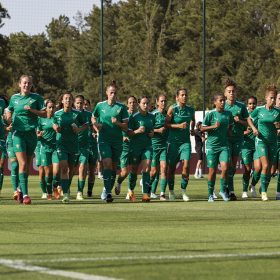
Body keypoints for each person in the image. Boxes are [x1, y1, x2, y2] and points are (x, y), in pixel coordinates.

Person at [6, 75, 46, 205]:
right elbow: (9, 110)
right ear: (19, 84)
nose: (26, 85)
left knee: (27, 165)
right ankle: (26, 195)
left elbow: (45, 113)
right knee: (22, 164)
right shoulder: (14, 98)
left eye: (29, 83)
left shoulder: (37, 98)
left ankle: (19, 189)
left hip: (31, 135)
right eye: (24, 83)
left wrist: (33, 110)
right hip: (18, 134)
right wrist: (8, 117)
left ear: (31, 85)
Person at [92, 81, 128, 203]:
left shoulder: (121, 107)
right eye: (111, 92)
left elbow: (125, 126)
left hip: (117, 141)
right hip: (104, 139)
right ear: (107, 93)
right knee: (107, 163)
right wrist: (96, 124)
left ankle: (106, 189)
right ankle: (108, 193)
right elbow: (93, 117)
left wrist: (117, 123)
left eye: (115, 93)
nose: (113, 94)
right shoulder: (100, 106)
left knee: (113, 168)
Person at [53, 92, 87, 203]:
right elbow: (53, 123)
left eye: (69, 99)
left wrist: (79, 129)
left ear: (72, 101)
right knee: (64, 168)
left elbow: (86, 124)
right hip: (61, 144)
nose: (68, 100)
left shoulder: (77, 114)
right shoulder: (57, 114)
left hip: (73, 145)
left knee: (71, 170)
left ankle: (64, 188)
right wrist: (56, 128)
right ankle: (66, 194)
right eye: (66, 99)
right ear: (62, 101)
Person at [248, 85, 280, 201]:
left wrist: (278, 126)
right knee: (265, 166)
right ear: (266, 98)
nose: (273, 100)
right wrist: (254, 129)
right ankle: (264, 193)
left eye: (274, 98)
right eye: (271, 97)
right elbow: (249, 119)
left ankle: (263, 187)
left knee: (271, 170)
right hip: (261, 141)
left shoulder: (278, 112)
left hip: (273, 142)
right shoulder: (259, 110)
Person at [201, 93, 233, 202]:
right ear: (215, 102)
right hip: (211, 147)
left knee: (225, 168)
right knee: (212, 171)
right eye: (221, 100)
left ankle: (222, 191)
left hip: (224, 146)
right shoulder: (210, 114)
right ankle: (210, 194)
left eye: (224, 100)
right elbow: (202, 128)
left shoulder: (228, 114)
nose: (223, 102)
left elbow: (230, 125)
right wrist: (214, 126)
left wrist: (229, 132)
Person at [165, 88, 195, 201]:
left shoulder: (191, 109)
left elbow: (193, 120)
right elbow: (166, 124)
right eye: (182, 95)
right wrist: (178, 126)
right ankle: (171, 191)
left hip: (185, 142)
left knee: (186, 166)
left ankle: (183, 191)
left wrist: (192, 129)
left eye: (186, 95)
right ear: (177, 97)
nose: (184, 97)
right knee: (171, 169)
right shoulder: (172, 109)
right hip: (173, 143)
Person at [224, 78, 249, 200]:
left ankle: (227, 187)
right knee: (228, 165)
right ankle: (230, 191)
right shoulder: (222, 106)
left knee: (233, 167)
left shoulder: (241, 106)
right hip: (226, 140)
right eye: (229, 91)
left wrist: (240, 121)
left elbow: (247, 123)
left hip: (238, 139)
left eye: (233, 91)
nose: (231, 93)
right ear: (225, 93)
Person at [127, 96, 155, 202]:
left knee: (147, 168)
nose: (146, 105)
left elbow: (152, 130)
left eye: (147, 103)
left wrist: (152, 133)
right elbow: (128, 133)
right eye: (143, 103)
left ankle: (145, 194)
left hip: (147, 147)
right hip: (135, 147)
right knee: (133, 170)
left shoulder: (152, 117)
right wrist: (137, 131)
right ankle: (131, 190)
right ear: (139, 104)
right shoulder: (133, 117)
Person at [114, 95, 138, 197]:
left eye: (134, 102)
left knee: (134, 170)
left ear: (136, 104)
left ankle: (130, 191)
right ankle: (119, 182)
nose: (132, 104)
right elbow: (117, 128)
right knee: (124, 172)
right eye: (130, 103)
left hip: (135, 147)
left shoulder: (138, 116)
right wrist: (122, 137)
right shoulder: (124, 115)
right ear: (127, 104)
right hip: (124, 147)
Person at [37, 99, 60, 200]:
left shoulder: (57, 119)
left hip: (55, 148)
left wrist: (58, 129)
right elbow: (37, 135)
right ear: (46, 109)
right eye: (49, 107)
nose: (51, 109)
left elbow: (62, 131)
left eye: (53, 107)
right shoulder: (40, 120)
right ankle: (48, 192)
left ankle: (55, 187)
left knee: (56, 172)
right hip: (44, 148)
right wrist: (39, 135)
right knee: (47, 173)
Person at [241, 96, 260, 199]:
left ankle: (252, 185)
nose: (252, 105)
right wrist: (245, 132)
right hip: (245, 145)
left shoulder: (259, 113)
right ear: (247, 105)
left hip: (257, 145)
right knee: (247, 169)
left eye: (254, 103)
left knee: (258, 168)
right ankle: (244, 191)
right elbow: (239, 131)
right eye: (250, 104)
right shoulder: (243, 115)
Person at [149, 94, 168, 200]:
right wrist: (157, 130)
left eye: (165, 101)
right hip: (153, 146)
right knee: (153, 172)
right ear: (157, 102)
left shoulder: (167, 115)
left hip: (163, 146)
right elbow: (149, 129)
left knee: (164, 169)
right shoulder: (153, 115)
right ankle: (148, 189)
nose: (163, 103)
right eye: (161, 101)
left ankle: (162, 194)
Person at [74, 95, 92, 200]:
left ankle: (79, 192)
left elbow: (94, 122)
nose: (79, 105)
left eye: (81, 103)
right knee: (70, 170)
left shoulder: (88, 114)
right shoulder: (70, 114)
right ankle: (64, 188)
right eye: (77, 103)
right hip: (72, 145)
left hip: (84, 146)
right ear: (74, 103)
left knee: (82, 167)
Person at [83, 99, 98, 198]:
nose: (84, 106)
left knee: (92, 170)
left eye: (86, 104)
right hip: (81, 145)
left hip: (92, 145)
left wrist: (96, 133)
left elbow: (97, 127)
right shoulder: (75, 114)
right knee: (81, 168)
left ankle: (89, 190)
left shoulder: (92, 116)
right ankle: (78, 190)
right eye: (82, 104)